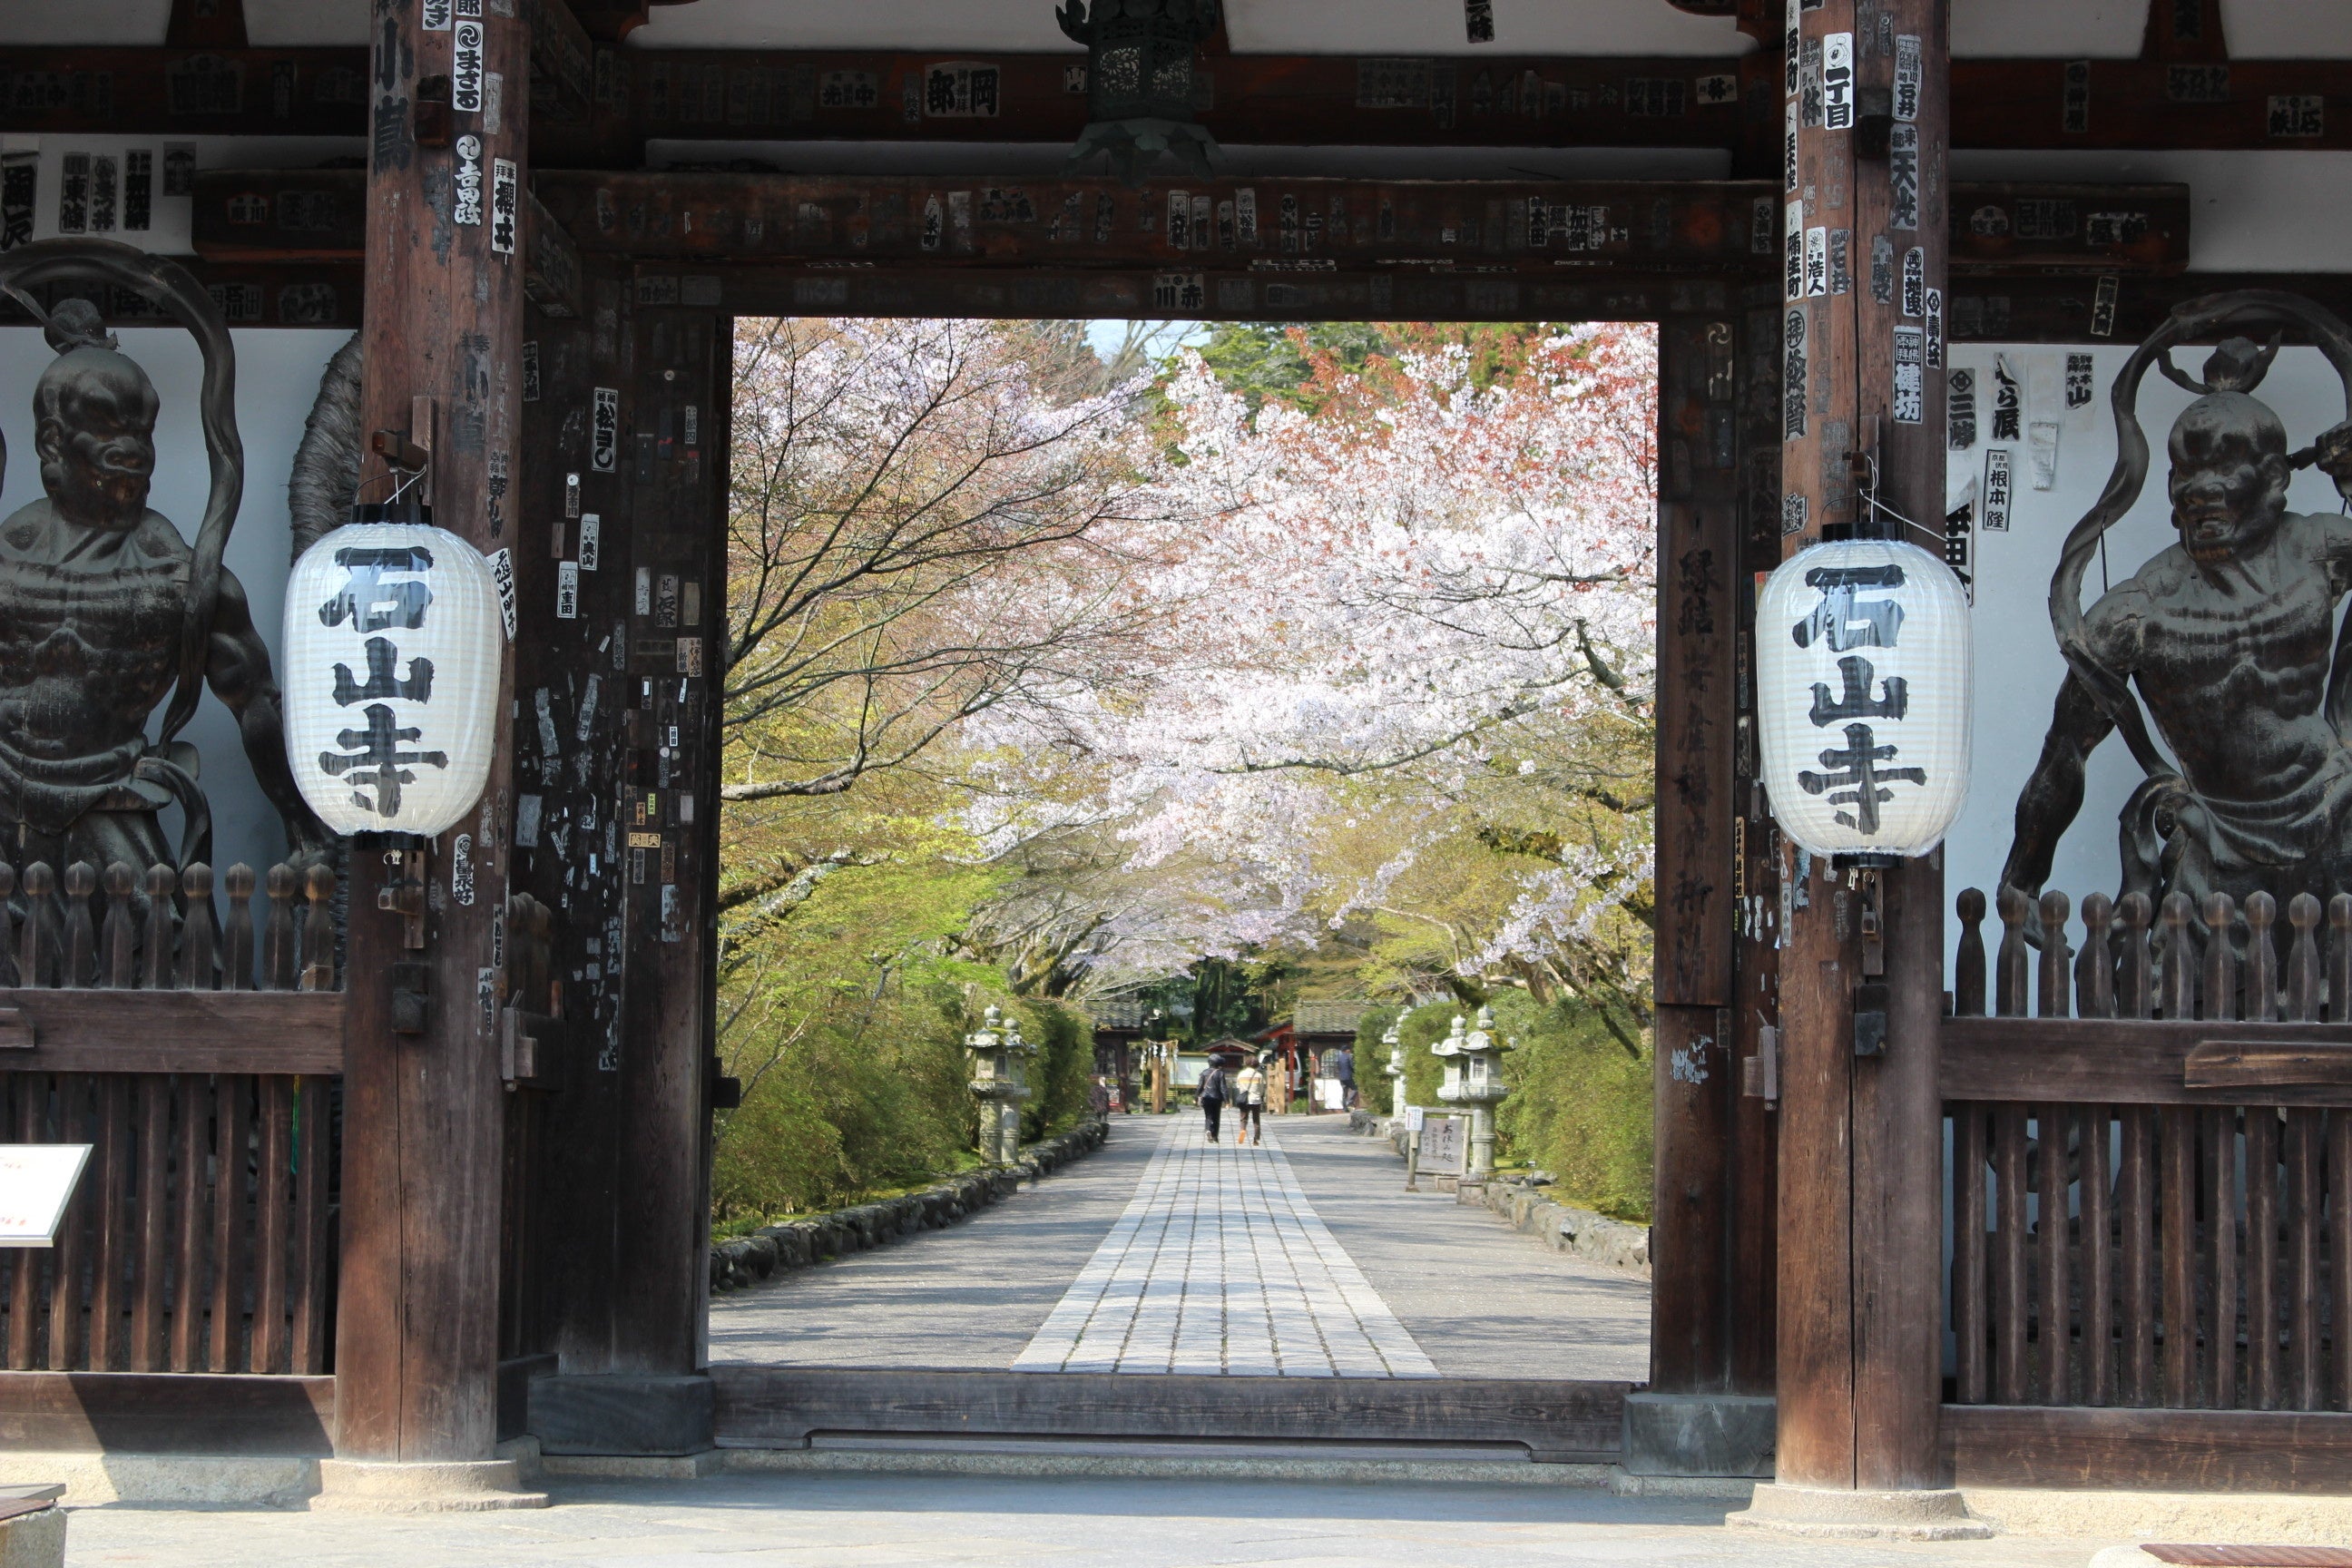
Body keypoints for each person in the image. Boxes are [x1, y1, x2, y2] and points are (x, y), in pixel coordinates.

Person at [1232, 1056, 1266, 1145]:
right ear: (1257, 1064)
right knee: (1256, 1120)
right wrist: (1260, 1095)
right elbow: (1262, 1089)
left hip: (1244, 1099)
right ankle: (1256, 1139)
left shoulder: (1241, 1074)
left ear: (1246, 1063)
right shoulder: (1259, 1075)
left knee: (1243, 1118)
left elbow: (1238, 1086)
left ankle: (1243, 1131)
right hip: (1255, 1100)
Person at [1197, 1060, 1228, 1142]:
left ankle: (1208, 1129)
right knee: (1216, 1117)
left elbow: (1200, 1086)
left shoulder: (1204, 1073)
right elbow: (1223, 1088)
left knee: (1208, 1116)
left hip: (1206, 1097)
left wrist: (1196, 1097)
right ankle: (1215, 1137)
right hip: (1217, 1098)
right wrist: (1226, 1101)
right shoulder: (1220, 1073)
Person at [1328, 1044, 1356, 1110]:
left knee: (1344, 1092)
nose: (1350, 1051)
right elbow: (1352, 1066)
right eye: (1349, 1049)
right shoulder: (1349, 1056)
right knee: (1355, 1089)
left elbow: (1339, 1067)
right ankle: (1349, 1101)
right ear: (1346, 1050)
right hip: (1348, 1077)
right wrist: (1355, 1072)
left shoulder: (1339, 1058)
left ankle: (1344, 1107)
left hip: (1341, 1078)